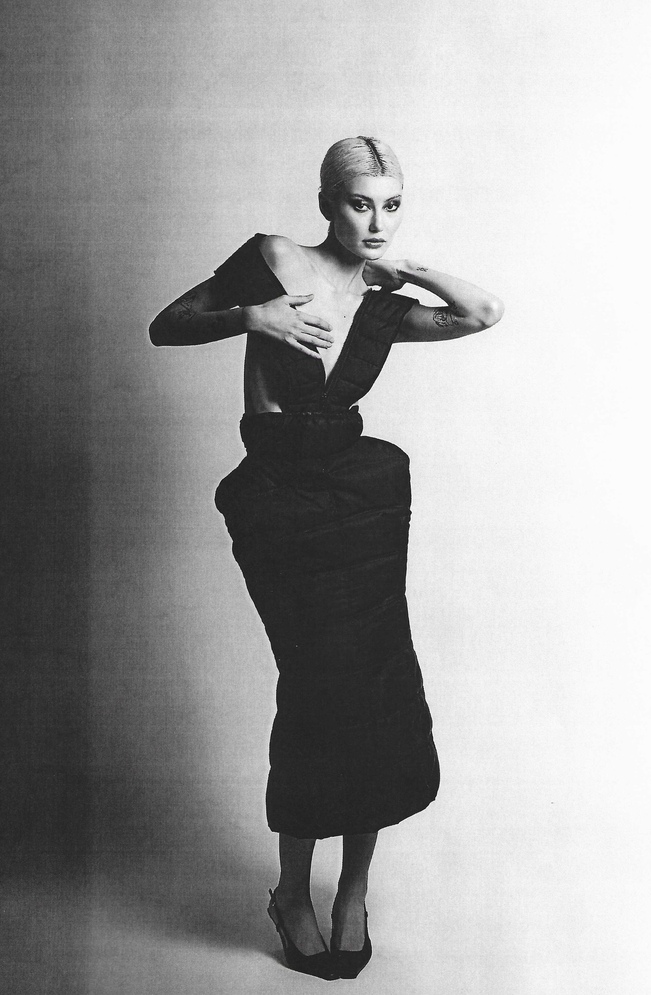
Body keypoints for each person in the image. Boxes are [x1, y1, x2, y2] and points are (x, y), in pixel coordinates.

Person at [149, 136, 504, 980]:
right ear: (325, 203)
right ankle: (289, 890)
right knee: (316, 689)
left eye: (391, 205)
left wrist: (406, 266)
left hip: (360, 501)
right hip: (280, 499)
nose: (375, 221)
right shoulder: (274, 260)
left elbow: (483, 311)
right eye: (358, 203)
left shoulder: (382, 306)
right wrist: (253, 317)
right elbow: (166, 327)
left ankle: (351, 891)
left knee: (377, 684)